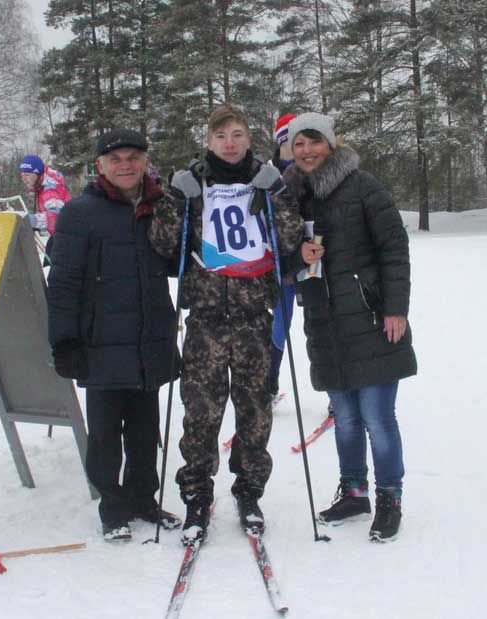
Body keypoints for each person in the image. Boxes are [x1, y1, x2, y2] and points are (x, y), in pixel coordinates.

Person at [148, 105, 303, 544]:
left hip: (255, 317)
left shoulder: (268, 180)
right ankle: (196, 493)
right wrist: (174, 200)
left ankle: (249, 491)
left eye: (237, 135)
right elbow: (163, 246)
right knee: (201, 413)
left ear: (249, 138)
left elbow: (290, 241)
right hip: (207, 318)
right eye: (221, 137)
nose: (229, 143)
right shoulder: (193, 182)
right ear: (209, 141)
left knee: (254, 413)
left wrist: (277, 195)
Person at [282, 112, 417, 543]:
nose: (306, 151)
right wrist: (297, 258)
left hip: (371, 317)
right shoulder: (290, 195)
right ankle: (354, 490)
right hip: (324, 320)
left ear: (331, 143)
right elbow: (282, 259)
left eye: (314, 142)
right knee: (344, 418)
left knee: (377, 417)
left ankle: (389, 498)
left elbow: (394, 248)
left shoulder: (363, 187)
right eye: (298, 144)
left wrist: (396, 308)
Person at [46, 129, 182, 541]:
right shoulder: (80, 213)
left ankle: (144, 497)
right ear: (100, 166)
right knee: (106, 432)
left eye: (133, 158)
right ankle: (112, 505)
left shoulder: (161, 207)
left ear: (145, 162)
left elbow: (178, 259)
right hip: (100, 341)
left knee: (145, 427)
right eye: (116, 159)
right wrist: (64, 341)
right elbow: (64, 283)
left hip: (147, 338)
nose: (126, 165)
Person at [267, 113, 298, 400]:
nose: (295, 145)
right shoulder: (269, 174)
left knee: (322, 326)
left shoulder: (314, 168)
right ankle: (270, 382)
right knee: (279, 323)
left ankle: (337, 393)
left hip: (315, 260)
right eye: (288, 139)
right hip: (281, 263)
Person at [18, 154, 71, 259]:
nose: (24, 179)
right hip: (61, 237)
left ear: (37, 173)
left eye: (27, 174)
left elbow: (57, 219)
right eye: (22, 175)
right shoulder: (42, 186)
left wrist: (31, 220)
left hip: (69, 239)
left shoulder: (50, 190)